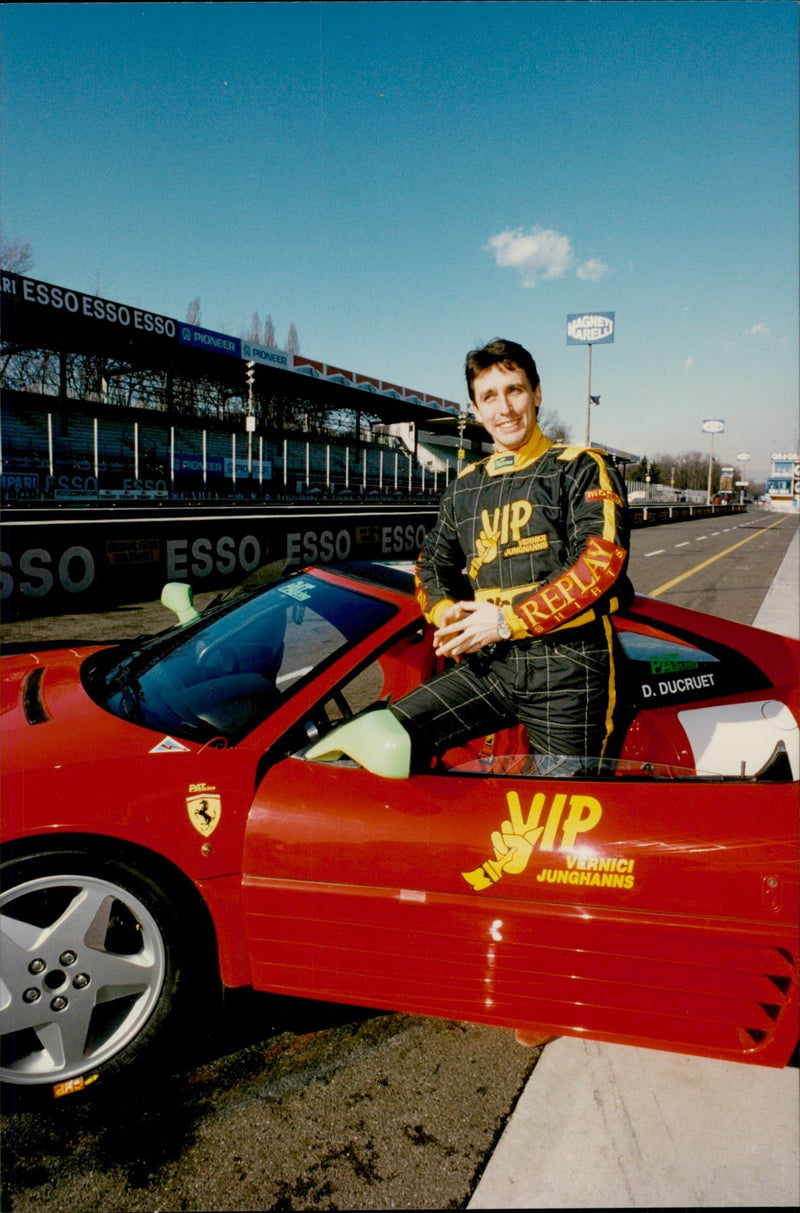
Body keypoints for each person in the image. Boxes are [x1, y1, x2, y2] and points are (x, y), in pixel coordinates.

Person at [390, 337, 633, 775]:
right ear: (476, 409)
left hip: (568, 668)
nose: (504, 408)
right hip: (491, 666)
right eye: (489, 397)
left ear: (536, 394)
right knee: (386, 737)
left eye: (514, 390)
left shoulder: (580, 467)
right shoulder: (465, 485)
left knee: (560, 810)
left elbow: (600, 564)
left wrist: (504, 620)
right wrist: (446, 613)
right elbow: (430, 565)